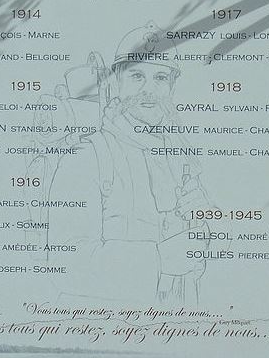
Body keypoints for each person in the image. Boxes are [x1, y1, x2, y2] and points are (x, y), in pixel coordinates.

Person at [44, 22, 210, 304]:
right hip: (104, 330)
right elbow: (65, 264)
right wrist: (160, 261)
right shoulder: (88, 156)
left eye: (160, 78)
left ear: (172, 86)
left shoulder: (180, 155)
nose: (149, 89)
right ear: (116, 83)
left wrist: (208, 226)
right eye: (137, 76)